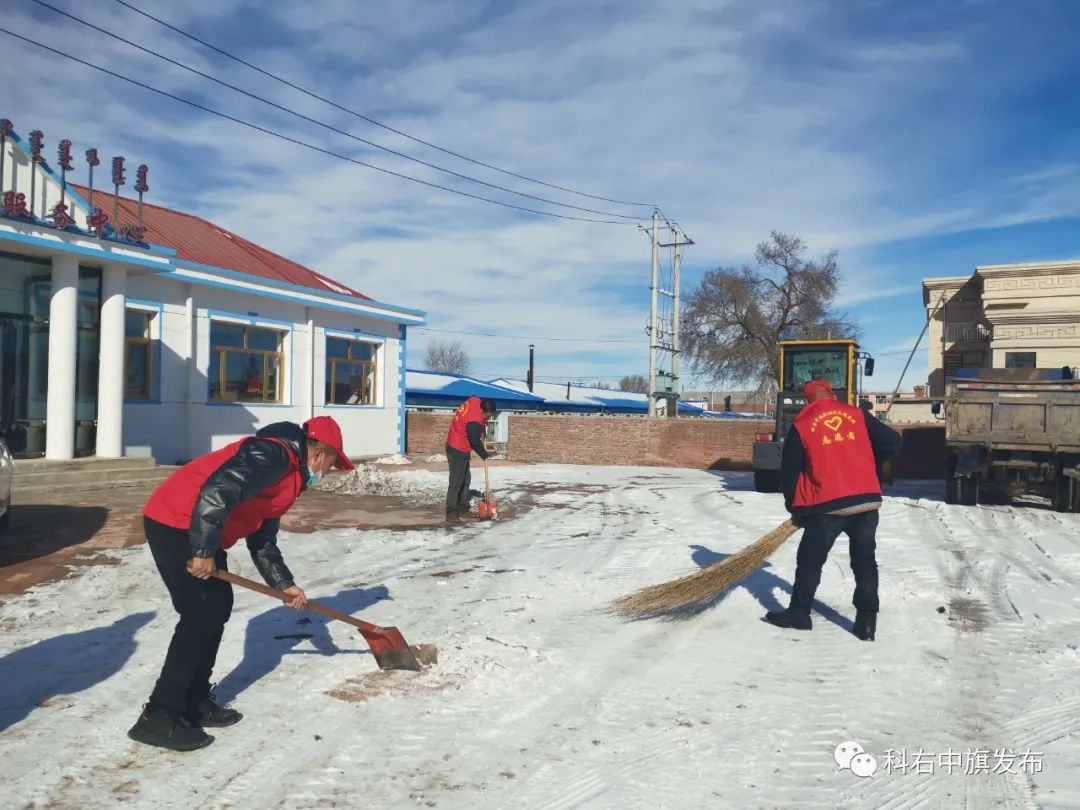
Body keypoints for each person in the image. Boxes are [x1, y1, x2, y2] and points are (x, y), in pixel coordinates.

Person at [128, 416, 355, 751]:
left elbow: (262, 541)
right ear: (320, 454)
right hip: (176, 521)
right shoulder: (273, 456)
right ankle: (158, 715)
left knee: (216, 608)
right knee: (200, 613)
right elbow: (217, 490)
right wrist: (203, 549)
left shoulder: (290, 476)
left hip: (202, 528)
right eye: (333, 465)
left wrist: (284, 585)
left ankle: (195, 700)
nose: (329, 473)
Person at [764, 378, 901, 641]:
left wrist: (794, 507)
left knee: (810, 562)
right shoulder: (858, 415)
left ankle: (799, 614)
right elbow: (893, 442)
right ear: (831, 395)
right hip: (866, 502)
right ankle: (866, 624)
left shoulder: (802, 425)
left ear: (806, 400)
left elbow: (789, 472)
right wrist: (871, 465)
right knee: (865, 562)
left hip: (826, 507)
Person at [445, 396, 496, 523]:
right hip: (457, 448)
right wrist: (484, 454)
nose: (488, 419)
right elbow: (474, 440)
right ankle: (451, 513)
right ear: (484, 411)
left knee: (466, 479)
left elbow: (477, 422)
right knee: (456, 482)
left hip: (460, 445)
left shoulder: (475, 402)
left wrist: (482, 426)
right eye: (488, 416)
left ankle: (462, 508)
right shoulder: (474, 421)